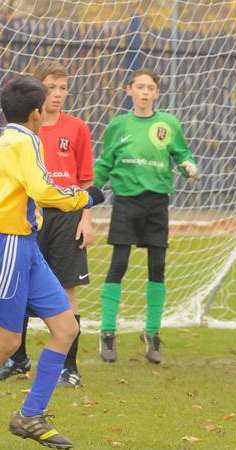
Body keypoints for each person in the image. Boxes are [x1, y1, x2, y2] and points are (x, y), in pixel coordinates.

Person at [0, 76, 104, 449]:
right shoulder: (22, 140)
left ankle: (30, 415)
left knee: (64, 327)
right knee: (8, 341)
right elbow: (43, 191)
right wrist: (84, 199)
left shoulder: (16, 138)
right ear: (35, 113)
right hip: (9, 242)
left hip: (26, 244)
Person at [94, 68, 198, 364]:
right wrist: (90, 191)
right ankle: (107, 332)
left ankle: (152, 335)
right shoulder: (118, 125)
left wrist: (189, 166)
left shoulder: (168, 124)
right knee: (119, 264)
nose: (144, 92)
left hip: (156, 204)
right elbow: (105, 162)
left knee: (158, 266)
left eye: (150, 88)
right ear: (129, 90)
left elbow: (182, 154)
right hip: (126, 202)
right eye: (139, 87)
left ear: (156, 93)